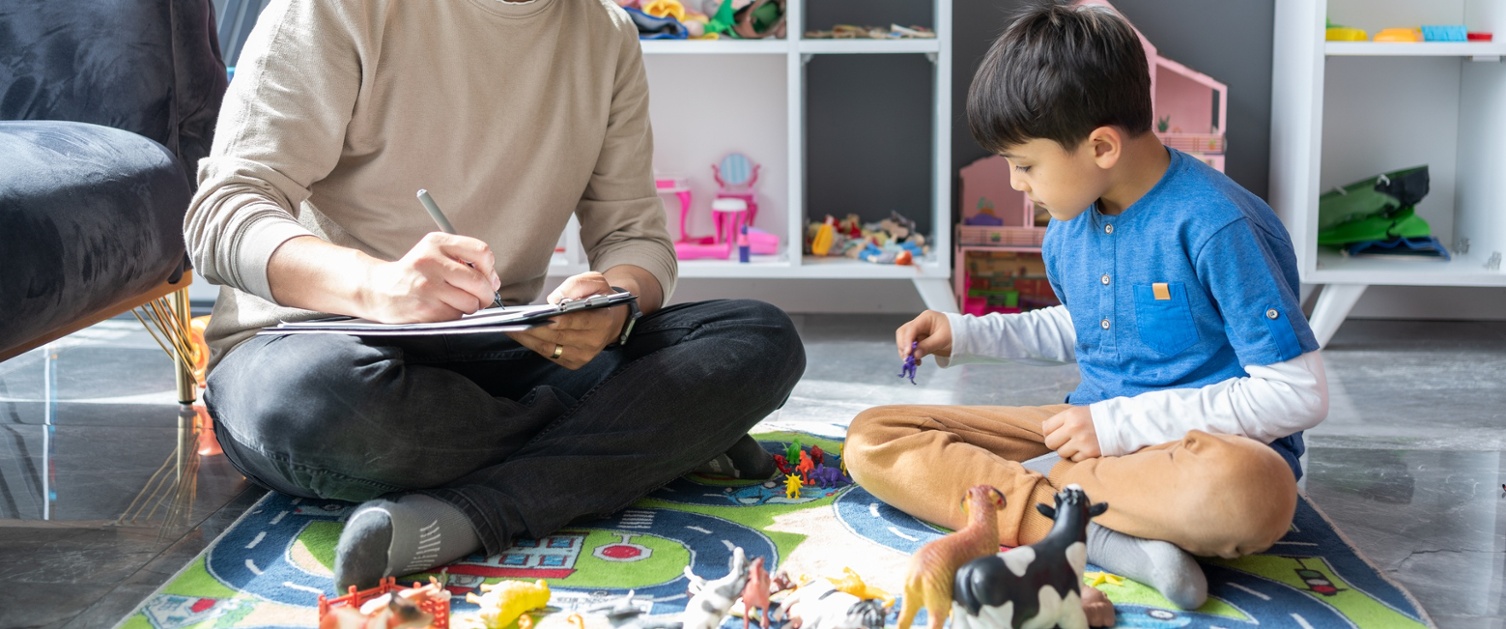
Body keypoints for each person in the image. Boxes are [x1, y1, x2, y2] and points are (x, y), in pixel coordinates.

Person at [184, 0, 805, 590]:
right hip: (318, 346)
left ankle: (474, 512)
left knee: (757, 336)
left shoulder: (606, 33)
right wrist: (380, 285)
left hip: (498, 346)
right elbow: (219, 215)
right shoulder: (338, 10)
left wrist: (614, 302)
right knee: (311, 406)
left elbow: (635, 236)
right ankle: (648, 436)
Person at [844, 0, 1327, 611]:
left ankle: (1042, 505)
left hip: (1190, 455)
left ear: (1101, 147)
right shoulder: (1070, 223)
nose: (1018, 184)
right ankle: (1108, 539)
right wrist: (963, 333)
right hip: (1085, 439)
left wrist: (1116, 428)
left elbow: (1299, 394)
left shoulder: (1217, 225)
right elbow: (1090, 327)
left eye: (1025, 165)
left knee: (1251, 494)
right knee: (873, 438)